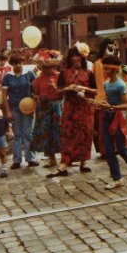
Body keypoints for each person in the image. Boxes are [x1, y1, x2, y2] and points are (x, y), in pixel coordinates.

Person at [47, 44, 97, 177]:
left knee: (85, 133)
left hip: (86, 108)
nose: (76, 59)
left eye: (78, 56)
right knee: (68, 135)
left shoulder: (88, 73)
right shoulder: (64, 73)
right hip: (70, 108)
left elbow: (96, 91)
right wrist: (67, 89)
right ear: (69, 59)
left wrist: (83, 88)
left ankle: (83, 162)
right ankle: (64, 163)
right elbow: (58, 91)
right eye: (73, 56)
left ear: (82, 58)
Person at [100, 56, 127, 188]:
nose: (104, 71)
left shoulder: (120, 85)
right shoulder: (106, 84)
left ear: (114, 69)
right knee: (109, 150)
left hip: (118, 119)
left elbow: (126, 105)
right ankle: (117, 178)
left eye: (106, 68)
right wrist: (101, 104)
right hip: (107, 118)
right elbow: (107, 100)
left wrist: (111, 107)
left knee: (122, 149)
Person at [1, 51, 38, 169]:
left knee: (28, 133)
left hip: (28, 107)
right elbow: (4, 95)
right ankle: (17, 160)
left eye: (20, 63)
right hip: (14, 108)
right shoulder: (7, 77)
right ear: (12, 64)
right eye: (16, 63)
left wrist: (35, 101)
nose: (18, 65)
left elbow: (36, 89)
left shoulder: (30, 74)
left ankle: (31, 158)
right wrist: (7, 111)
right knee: (17, 134)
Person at [30, 49, 63, 168]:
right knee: (47, 133)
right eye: (45, 68)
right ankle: (52, 158)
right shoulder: (38, 79)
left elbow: (63, 93)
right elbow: (35, 95)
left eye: (50, 67)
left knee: (59, 131)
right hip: (44, 108)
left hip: (57, 106)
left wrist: (55, 89)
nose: (48, 70)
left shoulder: (59, 76)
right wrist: (39, 97)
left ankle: (65, 157)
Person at [92, 39, 115, 158]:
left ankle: (114, 147)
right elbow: (96, 82)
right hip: (102, 99)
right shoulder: (97, 64)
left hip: (113, 99)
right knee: (102, 126)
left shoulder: (113, 63)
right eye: (109, 48)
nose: (111, 51)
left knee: (113, 125)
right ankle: (104, 149)